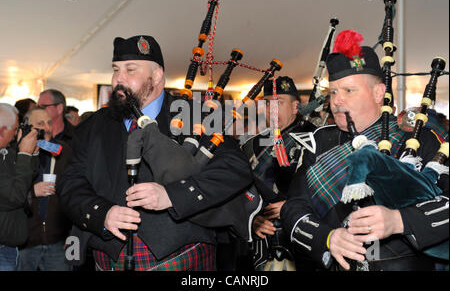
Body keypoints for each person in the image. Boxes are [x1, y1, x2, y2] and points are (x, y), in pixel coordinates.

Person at [57, 35, 253, 271]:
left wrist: (173, 196)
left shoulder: (195, 115)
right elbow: (70, 183)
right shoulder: (95, 125)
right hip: (109, 257)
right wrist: (102, 214)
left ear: (157, 76)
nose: (119, 78)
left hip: (181, 254)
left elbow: (235, 168)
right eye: (116, 70)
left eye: (130, 69)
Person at [281, 30, 449, 271]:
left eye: (349, 91)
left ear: (378, 93)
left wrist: (399, 221)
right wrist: (328, 238)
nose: (337, 100)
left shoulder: (417, 137)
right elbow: (293, 207)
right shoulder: (319, 143)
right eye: (334, 92)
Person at [241, 77, 316, 270]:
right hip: (263, 244)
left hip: (306, 238)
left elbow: (332, 191)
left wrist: (294, 206)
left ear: (295, 106)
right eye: (267, 103)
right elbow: (240, 192)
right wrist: (252, 220)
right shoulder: (252, 145)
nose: (271, 110)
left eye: (279, 103)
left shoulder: (317, 139)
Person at [17, 108, 73, 271]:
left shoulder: (65, 151)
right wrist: (32, 191)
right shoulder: (16, 153)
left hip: (57, 241)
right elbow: (7, 195)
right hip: (25, 242)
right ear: (27, 126)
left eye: (50, 123)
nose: (47, 128)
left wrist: (72, 233)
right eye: (40, 123)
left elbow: (75, 193)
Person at [0, 103, 39, 271]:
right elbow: (15, 196)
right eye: (15, 129)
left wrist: (32, 154)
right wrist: (24, 155)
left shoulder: (5, 151)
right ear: (2, 130)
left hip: (9, 246)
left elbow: (26, 178)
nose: (17, 133)